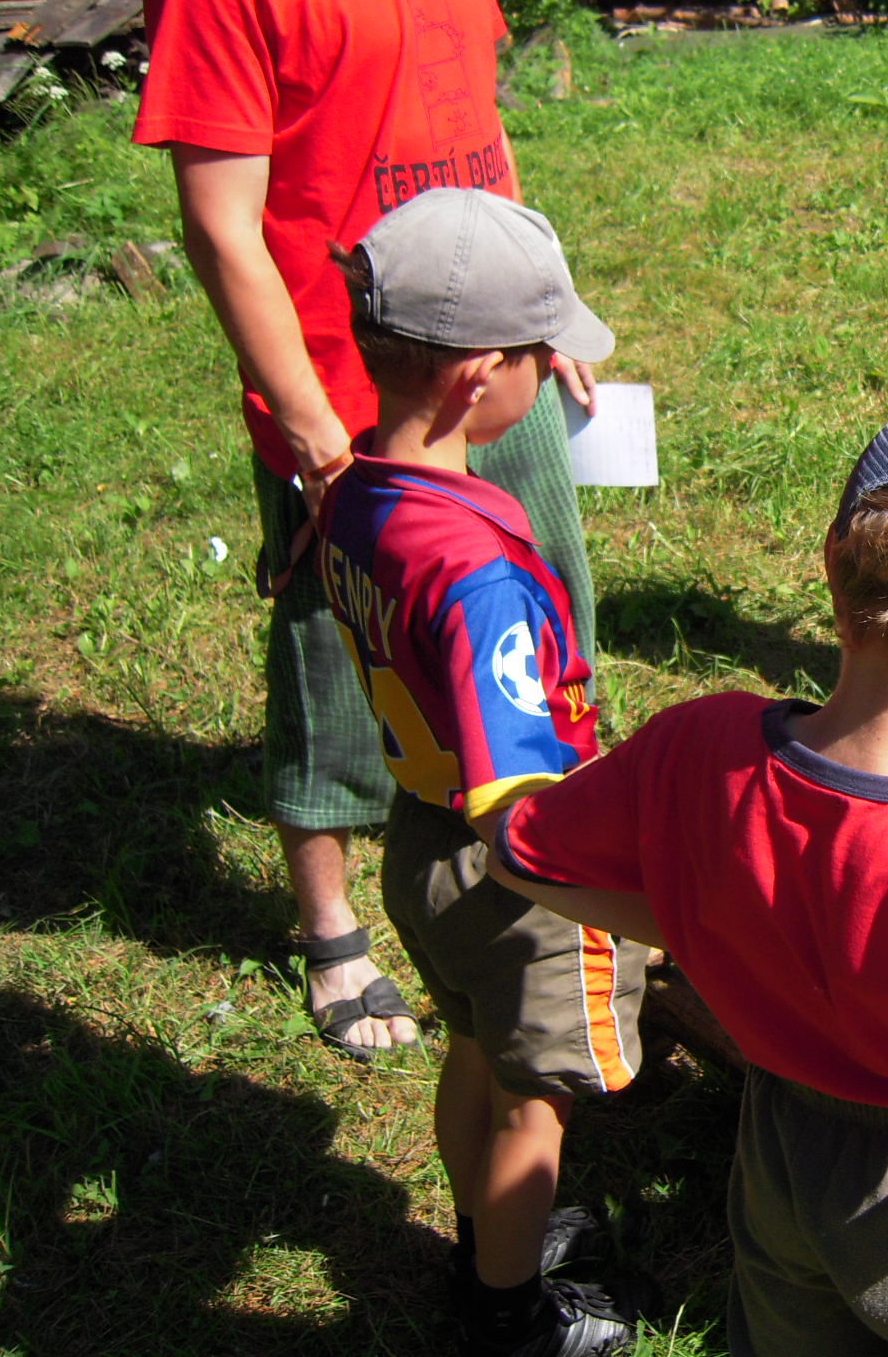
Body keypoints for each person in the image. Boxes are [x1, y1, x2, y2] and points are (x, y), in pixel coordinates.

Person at [489, 394, 888, 1357]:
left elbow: (521, 852)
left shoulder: (699, 746)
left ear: (832, 564)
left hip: (780, 1144)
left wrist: (693, 926)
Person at [133, 0, 603, 1059]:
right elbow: (219, 219)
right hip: (351, 394)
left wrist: (542, 310)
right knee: (339, 659)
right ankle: (333, 924)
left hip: (493, 358)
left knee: (538, 616)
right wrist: (310, 435)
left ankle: (545, 868)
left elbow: (474, 119)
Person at [316, 188, 647, 1356]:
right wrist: (643, 906)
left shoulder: (354, 491)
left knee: (473, 1047)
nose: (554, 374)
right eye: (541, 356)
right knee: (531, 1104)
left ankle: (482, 1248)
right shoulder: (479, 578)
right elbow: (520, 815)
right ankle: (513, 1318)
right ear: (476, 378)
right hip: (517, 881)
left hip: (419, 841)